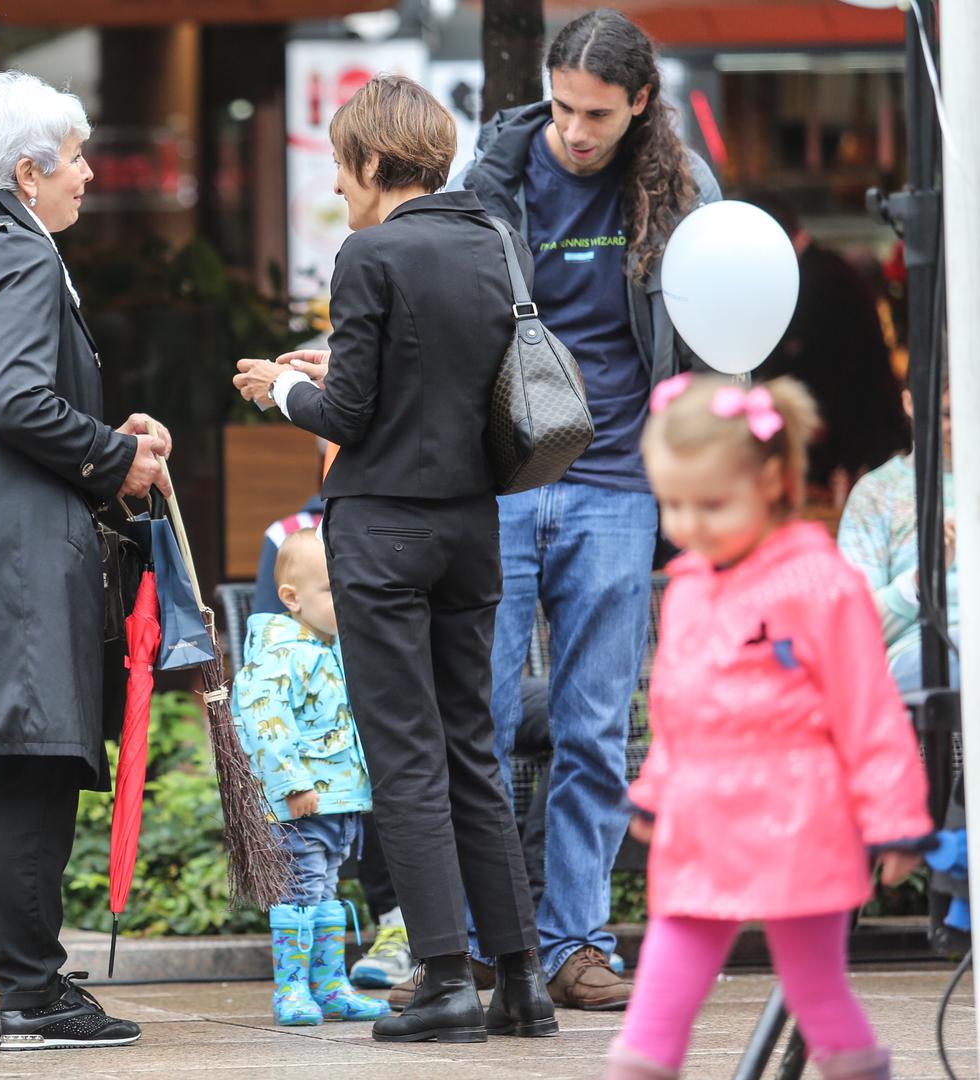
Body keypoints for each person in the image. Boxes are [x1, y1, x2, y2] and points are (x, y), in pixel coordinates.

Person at [234, 73, 556, 1044]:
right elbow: (448, 373)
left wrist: (278, 394)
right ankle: (518, 980)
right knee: (469, 747)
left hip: (379, 533)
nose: (336, 185)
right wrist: (344, 369)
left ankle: (440, 979)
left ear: (375, 161)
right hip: (470, 529)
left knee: (404, 755)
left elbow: (345, 417)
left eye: (339, 165)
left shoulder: (366, 254)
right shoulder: (491, 242)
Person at [0, 70, 171, 1053]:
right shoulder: (19, 254)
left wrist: (100, 439)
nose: (89, 175)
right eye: (76, 160)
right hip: (8, 556)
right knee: (33, 766)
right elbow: (13, 402)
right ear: (26, 172)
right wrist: (113, 457)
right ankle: (37, 996)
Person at [452, 9, 721, 1011]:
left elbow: (707, 339)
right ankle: (481, 943)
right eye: (563, 106)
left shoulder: (682, 188)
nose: (574, 129)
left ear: (638, 103)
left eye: (596, 115)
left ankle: (572, 944)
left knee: (593, 725)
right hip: (504, 478)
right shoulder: (493, 172)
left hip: (616, 482)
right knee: (473, 711)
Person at [609, 373, 932, 1080]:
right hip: (700, 823)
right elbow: (678, 705)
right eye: (673, 504)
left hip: (799, 821)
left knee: (821, 1002)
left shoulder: (821, 583)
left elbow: (866, 707)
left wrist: (895, 818)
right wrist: (658, 788)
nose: (688, 525)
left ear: (776, 479)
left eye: (712, 504)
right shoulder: (690, 584)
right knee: (650, 1023)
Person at [233, 529, 391, 1027]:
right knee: (299, 892)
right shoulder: (281, 655)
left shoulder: (332, 649)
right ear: (291, 598)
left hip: (336, 803)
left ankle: (330, 985)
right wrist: (292, 785)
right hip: (300, 804)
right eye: (331, 590)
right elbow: (264, 723)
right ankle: (293, 990)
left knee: (324, 893)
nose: (344, 600)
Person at [748, 193, 908, 489]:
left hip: (851, 432)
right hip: (851, 426)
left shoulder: (816, 279)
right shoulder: (821, 269)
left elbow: (817, 363)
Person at [837, 382, 959, 692]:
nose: (959, 425)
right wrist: (923, 579)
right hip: (922, 655)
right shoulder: (878, 493)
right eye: (946, 413)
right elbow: (852, 629)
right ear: (910, 402)